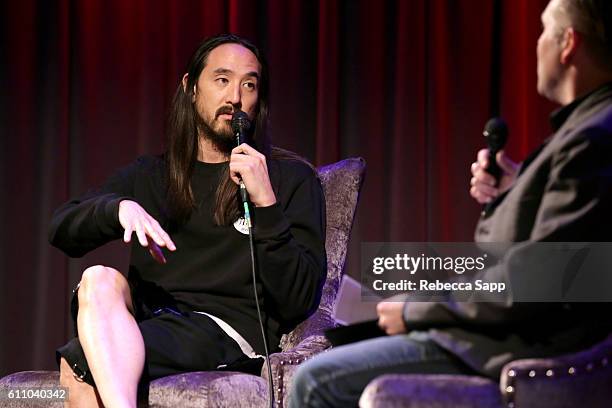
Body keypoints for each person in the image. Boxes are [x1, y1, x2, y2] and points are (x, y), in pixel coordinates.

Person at [289, 0, 612, 406]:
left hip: (516, 346)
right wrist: (516, 185)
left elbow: (534, 281)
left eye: (545, 31)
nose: (538, 45)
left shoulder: (591, 137)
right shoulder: (587, 128)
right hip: (502, 335)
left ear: (568, 44)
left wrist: (416, 310)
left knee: (315, 380)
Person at [50, 34, 326, 408]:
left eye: (249, 84)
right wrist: (117, 210)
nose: (235, 98)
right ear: (191, 88)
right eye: (222, 79)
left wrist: (265, 203)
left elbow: (299, 299)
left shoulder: (288, 179)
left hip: (225, 330)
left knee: (80, 362)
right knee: (98, 278)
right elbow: (62, 228)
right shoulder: (152, 175)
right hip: (151, 321)